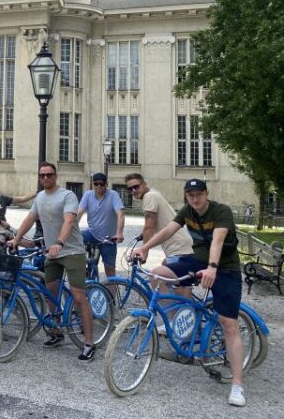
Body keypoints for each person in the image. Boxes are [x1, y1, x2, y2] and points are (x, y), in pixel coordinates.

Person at [135, 179, 246, 407]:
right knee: (158, 273)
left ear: (207, 194)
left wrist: (213, 268)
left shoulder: (221, 211)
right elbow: (167, 230)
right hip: (198, 261)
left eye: (198, 195)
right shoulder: (187, 211)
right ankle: (179, 324)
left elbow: (218, 239)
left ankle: (237, 385)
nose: (194, 199)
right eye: (190, 195)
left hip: (224, 269)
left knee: (228, 324)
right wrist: (145, 247)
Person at [7, 162, 96, 361]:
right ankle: (56, 332)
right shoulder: (40, 197)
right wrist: (16, 238)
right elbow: (29, 219)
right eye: (42, 175)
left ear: (56, 176)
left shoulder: (67, 196)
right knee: (50, 294)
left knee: (79, 298)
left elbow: (70, 221)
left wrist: (59, 242)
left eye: (49, 175)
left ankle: (89, 343)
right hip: (52, 254)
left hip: (71, 252)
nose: (46, 178)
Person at [124, 173, 194, 265]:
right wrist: (143, 234)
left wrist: (144, 253)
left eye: (136, 187)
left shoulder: (149, 197)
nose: (133, 190)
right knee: (165, 268)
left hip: (178, 246)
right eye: (130, 189)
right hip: (181, 243)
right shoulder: (153, 193)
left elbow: (149, 226)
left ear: (144, 184)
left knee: (160, 275)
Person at [76, 172, 125, 281]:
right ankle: (81, 266)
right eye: (96, 183)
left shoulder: (113, 195)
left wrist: (119, 233)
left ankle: (112, 298)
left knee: (110, 271)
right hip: (92, 233)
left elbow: (120, 214)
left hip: (109, 238)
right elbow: (79, 212)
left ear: (106, 184)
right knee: (74, 239)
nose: (98, 186)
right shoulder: (88, 195)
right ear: (92, 184)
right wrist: (71, 229)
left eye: (101, 184)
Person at [0, 177, 36, 244]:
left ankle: (11, 244)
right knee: (1, 244)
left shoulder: (3, 199)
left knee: (30, 243)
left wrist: (36, 193)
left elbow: (21, 199)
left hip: (7, 228)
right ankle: (8, 245)